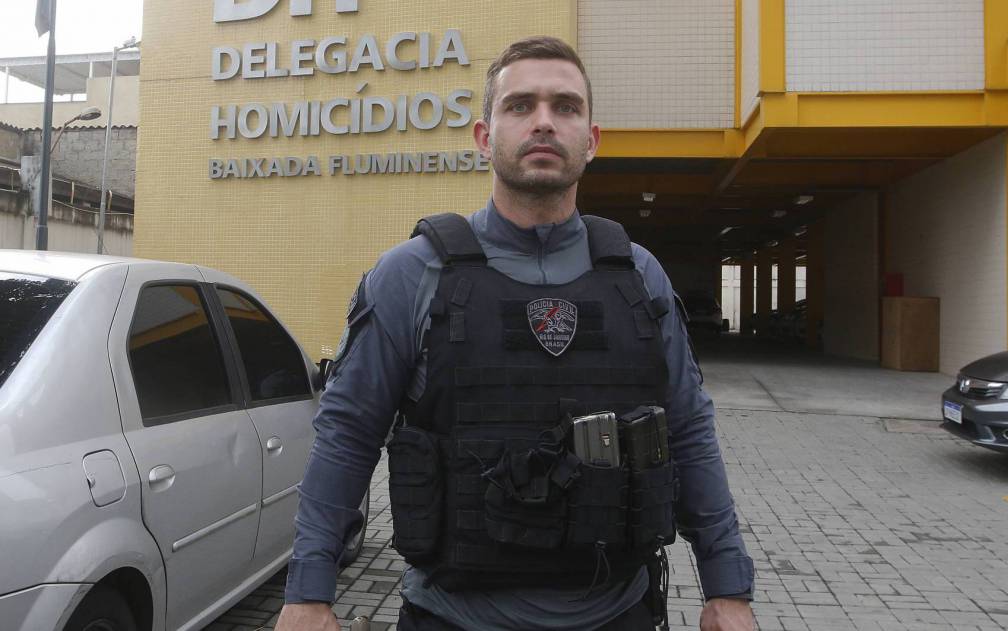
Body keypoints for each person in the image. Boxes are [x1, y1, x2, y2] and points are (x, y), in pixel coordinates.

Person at [277, 36, 755, 631]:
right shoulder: (412, 274)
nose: (544, 122)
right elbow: (347, 435)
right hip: (453, 617)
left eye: (566, 106)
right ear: (484, 136)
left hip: (619, 614)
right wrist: (309, 593)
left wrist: (727, 586)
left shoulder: (640, 277)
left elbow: (689, 430)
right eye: (521, 105)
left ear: (592, 139)